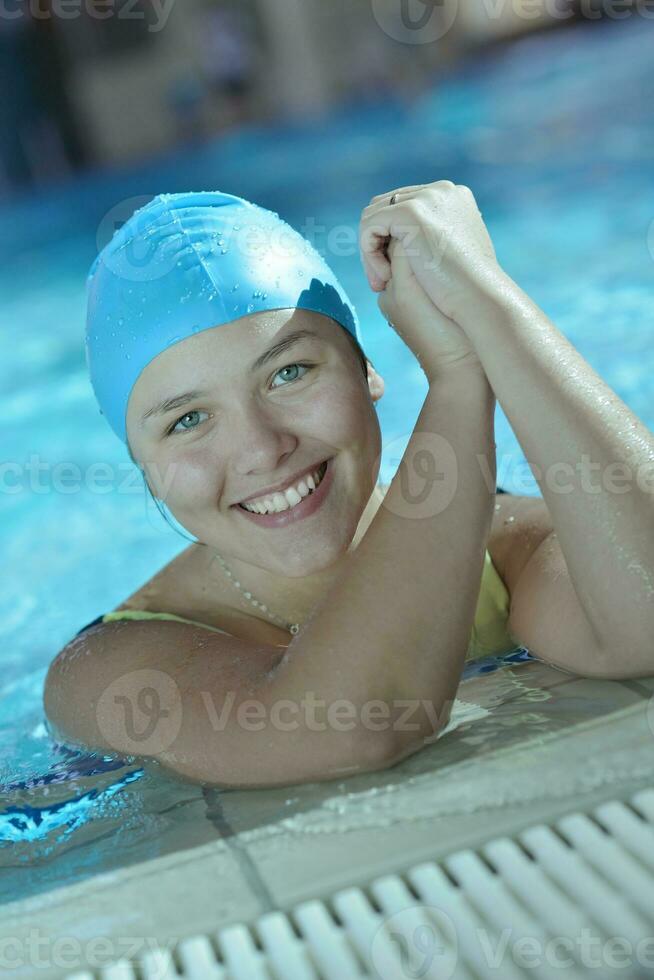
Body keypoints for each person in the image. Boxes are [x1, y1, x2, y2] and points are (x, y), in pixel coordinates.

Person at [43, 185, 654, 789]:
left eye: (289, 373)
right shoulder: (108, 669)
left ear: (367, 371)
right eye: (188, 420)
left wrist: (485, 303)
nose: (261, 449)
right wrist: (460, 382)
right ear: (145, 470)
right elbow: (345, 728)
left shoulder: (507, 546)